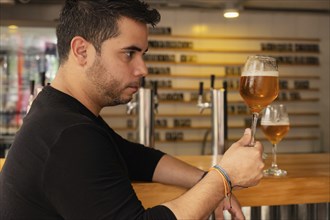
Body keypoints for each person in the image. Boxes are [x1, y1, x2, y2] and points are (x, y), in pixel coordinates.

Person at [0, 0, 264, 219]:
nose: (143, 69)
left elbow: (135, 158)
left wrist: (206, 180)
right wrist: (223, 178)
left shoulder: (60, 110)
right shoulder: (68, 134)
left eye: (143, 54)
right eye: (129, 53)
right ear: (82, 51)